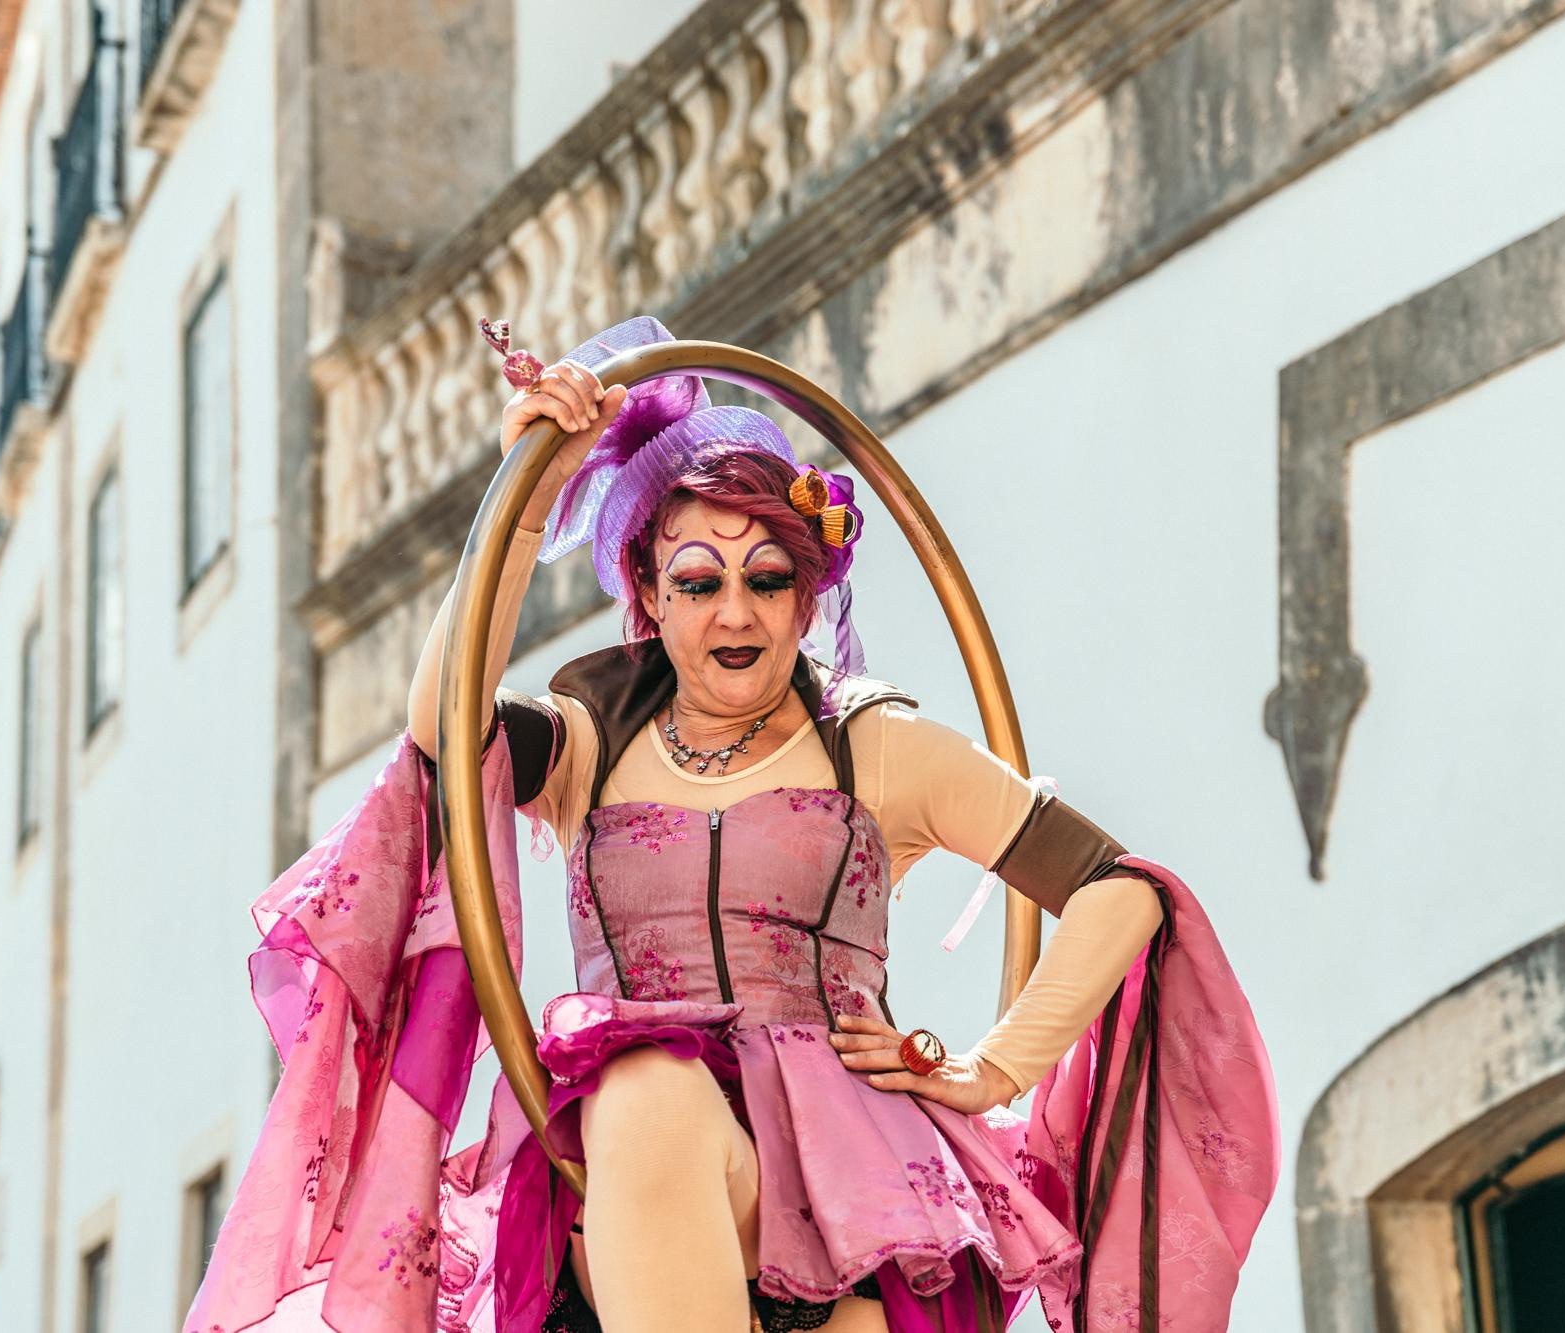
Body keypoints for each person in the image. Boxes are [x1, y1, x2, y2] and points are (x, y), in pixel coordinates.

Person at [182, 318, 1278, 1333]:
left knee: (646, 1097)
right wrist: (526, 502)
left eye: (767, 580)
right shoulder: (590, 742)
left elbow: (1118, 889)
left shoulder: (874, 747)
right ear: (649, 597)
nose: (735, 612)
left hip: (858, 1202)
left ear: (807, 603)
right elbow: (443, 719)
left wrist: (990, 1071)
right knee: (646, 1084)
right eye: (698, 582)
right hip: (642, 1182)